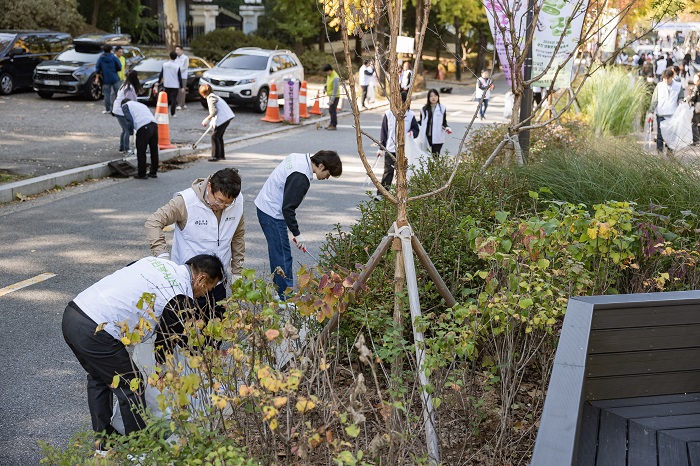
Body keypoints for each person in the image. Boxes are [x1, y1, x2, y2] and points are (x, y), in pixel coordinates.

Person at [62, 254, 224, 451]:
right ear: (201, 279)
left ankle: (103, 443)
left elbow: (128, 273)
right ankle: (139, 450)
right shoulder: (180, 295)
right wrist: (163, 369)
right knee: (133, 384)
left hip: (74, 313)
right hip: (96, 330)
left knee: (100, 379)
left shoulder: (157, 262)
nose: (207, 294)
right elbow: (166, 341)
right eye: (210, 288)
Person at [145, 168, 244, 321]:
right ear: (209, 186)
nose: (222, 206)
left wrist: (237, 272)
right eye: (219, 200)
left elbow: (237, 236)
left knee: (214, 335)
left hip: (217, 282)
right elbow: (154, 222)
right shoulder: (186, 201)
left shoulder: (237, 202)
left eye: (227, 203)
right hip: (188, 285)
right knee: (184, 336)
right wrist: (163, 258)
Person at [255, 151, 342, 299]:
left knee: (278, 253)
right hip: (271, 212)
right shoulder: (301, 177)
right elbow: (288, 208)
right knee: (283, 256)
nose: (326, 177)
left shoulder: (300, 158)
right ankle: (284, 297)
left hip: (266, 204)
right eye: (328, 174)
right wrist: (297, 234)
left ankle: (279, 292)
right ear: (321, 166)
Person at [376, 94, 420, 199]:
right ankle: (381, 194)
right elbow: (384, 133)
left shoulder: (410, 115)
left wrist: (411, 132)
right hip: (390, 148)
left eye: (403, 102)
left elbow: (416, 129)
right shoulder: (388, 114)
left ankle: (401, 195)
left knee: (402, 173)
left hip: (405, 150)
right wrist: (381, 149)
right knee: (388, 172)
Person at [649, 68, 684, 155]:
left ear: (672, 77)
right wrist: (651, 111)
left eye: (668, 78)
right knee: (660, 134)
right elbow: (655, 100)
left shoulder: (678, 86)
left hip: (673, 113)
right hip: (661, 112)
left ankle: (670, 152)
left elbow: (680, 97)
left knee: (671, 134)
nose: (666, 80)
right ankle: (659, 151)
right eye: (664, 78)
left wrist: (681, 101)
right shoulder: (659, 86)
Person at [121, 99, 158, 179]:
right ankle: (153, 172)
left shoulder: (125, 105)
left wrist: (130, 133)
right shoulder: (140, 104)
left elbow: (129, 120)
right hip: (154, 125)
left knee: (141, 151)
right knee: (154, 150)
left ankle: (142, 173)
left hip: (143, 127)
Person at [199, 84, 235, 162]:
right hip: (227, 117)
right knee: (219, 136)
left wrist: (206, 120)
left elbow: (214, 112)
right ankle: (221, 155)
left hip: (223, 118)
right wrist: (213, 121)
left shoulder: (211, 98)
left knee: (214, 136)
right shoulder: (215, 96)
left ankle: (215, 156)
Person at [112, 71, 141, 155]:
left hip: (117, 109)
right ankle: (126, 149)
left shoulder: (125, 84)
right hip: (122, 110)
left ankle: (122, 147)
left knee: (124, 129)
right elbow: (130, 101)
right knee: (127, 129)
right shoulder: (130, 88)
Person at [419, 89, 451, 156]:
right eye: (431, 96)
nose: (433, 98)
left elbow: (444, 122)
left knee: (435, 156)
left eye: (435, 95)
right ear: (428, 98)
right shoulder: (423, 109)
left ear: (438, 97)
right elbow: (421, 122)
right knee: (425, 156)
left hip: (437, 137)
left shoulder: (442, 108)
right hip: (427, 136)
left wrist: (447, 128)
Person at [95, 45, 122, 114]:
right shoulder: (114, 58)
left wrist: (98, 77)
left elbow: (97, 69)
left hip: (106, 79)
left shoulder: (101, 58)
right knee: (117, 94)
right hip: (115, 78)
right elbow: (119, 67)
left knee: (107, 94)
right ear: (111, 50)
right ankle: (117, 109)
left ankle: (108, 109)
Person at [159, 51, 182, 117]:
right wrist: (181, 86)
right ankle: (172, 113)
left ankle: (164, 112)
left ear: (169, 56)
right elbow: (179, 76)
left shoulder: (165, 64)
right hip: (175, 85)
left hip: (166, 84)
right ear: (176, 57)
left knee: (166, 99)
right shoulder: (177, 66)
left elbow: (161, 74)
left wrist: (158, 82)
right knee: (173, 100)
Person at [323, 64, 340, 130]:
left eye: (327, 72)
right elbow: (327, 83)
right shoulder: (329, 75)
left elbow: (335, 89)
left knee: (332, 110)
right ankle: (331, 123)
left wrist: (332, 99)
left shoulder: (335, 77)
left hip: (335, 96)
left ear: (330, 70)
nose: (326, 73)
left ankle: (333, 124)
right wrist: (325, 88)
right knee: (331, 110)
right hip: (330, 95)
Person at [175, 45, 189, 110]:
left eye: (178, 50)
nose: (176, 51)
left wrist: (178, 71)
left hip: (183, 76)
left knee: (182, 90)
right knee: (177, 91)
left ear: (181, 50)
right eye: (176, 50)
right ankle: (179, 103)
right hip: (176, 76)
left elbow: (185, 67)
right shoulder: (176, 57)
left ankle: (181, 104)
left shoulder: (185, 58)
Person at [689, 72, 700, 145]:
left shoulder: (697, 86)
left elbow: (693, 97)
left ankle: (696, 140)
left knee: (694, 123)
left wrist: (689, 97)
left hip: (698, 107)